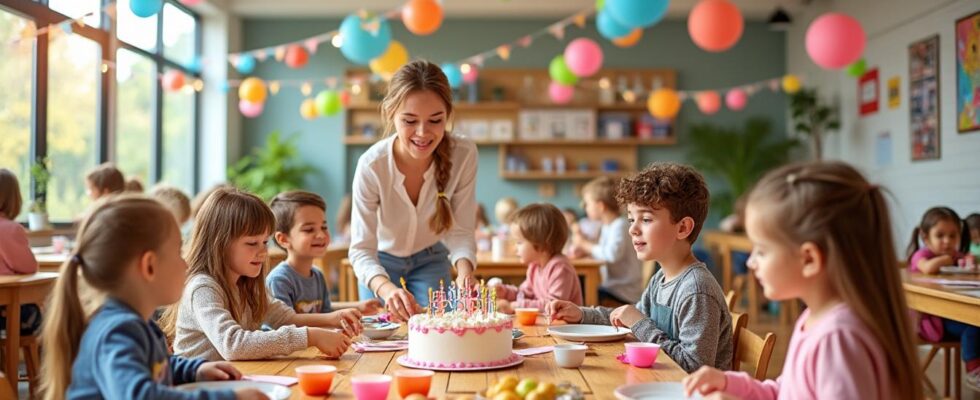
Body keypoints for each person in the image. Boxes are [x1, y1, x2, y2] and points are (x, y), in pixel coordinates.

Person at [683, 161, 923, 399]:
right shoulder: (815, 318)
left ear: (809, 259)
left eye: (762, 251)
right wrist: (728, 383)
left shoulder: (836, 338)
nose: (751, 262)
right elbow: (786, 393)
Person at [40, 196, 261, 399]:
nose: (185, 264)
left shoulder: (135, 324)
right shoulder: (118, 331)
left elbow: (156, 366)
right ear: (149, 266)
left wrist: (195, 370)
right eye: (178, 253)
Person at [548, 163, 732, 373]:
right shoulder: (660, 278)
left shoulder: (696, 290)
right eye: (630, 219)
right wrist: (581, 314)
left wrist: (640, 323)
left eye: (645, 219)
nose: (633, 230)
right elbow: (628, 316)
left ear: (682, 228)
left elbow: (695, 369)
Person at [160, 187, 357, 361]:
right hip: (197, 385)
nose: (263, 252)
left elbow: (285, 318)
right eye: (252, 243)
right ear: (219, 244)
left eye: (264, 242)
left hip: (233, 380)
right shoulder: (203, 288)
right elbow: (233, 345)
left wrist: (333, 318)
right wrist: (310, 336)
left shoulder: (246, 283)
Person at [349, 60, 478, 322]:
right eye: (409, 120)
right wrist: (387, 290)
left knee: (439, 330)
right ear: (391, 113)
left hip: (431, 257)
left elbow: (461, 230)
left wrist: (465, 274)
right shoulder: (372, 165)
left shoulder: (463, 155)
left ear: (448, 115)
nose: (422, 133)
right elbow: (361, 249)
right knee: (382, 336)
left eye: (435, 120)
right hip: (380, 264)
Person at [267, 190, 382, 315]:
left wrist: (358, 307)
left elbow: (325, 311)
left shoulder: (317, 275)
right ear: (283, 239)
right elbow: (285, 321)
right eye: (309, 229)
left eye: (324, 227)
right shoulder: (279, 280)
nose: (321, 235)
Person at [494, 203, 583, 313]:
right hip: (545, 322)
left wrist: (515, 306)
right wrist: (504, 291)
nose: (514, 248)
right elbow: (524, 294)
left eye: (519, 242)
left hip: (564, 323)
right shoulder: (534, 266)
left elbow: (553, 305)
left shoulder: (560, 268)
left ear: (541, 245)